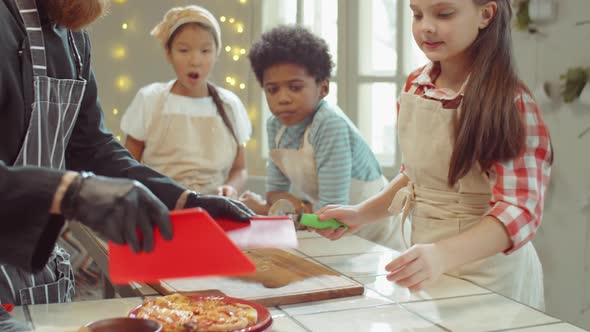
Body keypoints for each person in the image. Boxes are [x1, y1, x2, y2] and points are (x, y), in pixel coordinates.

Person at [0, 0, 254, 306]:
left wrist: (184, 200)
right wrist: (69, 192)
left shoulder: (75, 39)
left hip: (37, 274)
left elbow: (92, 146)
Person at [315, 0, 552, 310]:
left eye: (443, 13)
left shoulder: (510, 103)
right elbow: (416, 177)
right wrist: (361, 214)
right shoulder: (416, 85)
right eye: (417, 14)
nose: (426, 25)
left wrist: (443, 254)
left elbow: (519, 211)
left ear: (485, 14)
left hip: (493, 275)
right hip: (428, 265)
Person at [241, 25, 406, 249]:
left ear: (323, 88)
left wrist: (281, 208)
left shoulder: (329, 125)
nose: (283, 98)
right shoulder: (275, 125)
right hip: (336, 231)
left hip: (378, 234)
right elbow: (275, 194)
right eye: (272, 90)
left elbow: (330, 213)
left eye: (295, 87)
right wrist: (278, 206)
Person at [121, 5, 251, 200]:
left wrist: (230, 188)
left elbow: (239, 169)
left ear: (217, 53)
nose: (195, 60)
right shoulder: (150, 99)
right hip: (160, 209)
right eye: (183, 50)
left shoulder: (229, 105)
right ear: (168, 53)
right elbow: (128, 166)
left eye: (205, 50)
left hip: (214, 209)